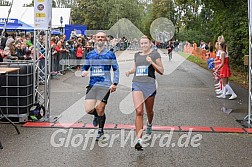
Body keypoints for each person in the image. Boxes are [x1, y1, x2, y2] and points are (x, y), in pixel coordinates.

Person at [125, 35, 164, 151]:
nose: (143, 45)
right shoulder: (137, 55)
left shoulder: (155, 55)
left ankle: (150, 124)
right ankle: (139, 139)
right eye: (142, 43)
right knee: (139, 111)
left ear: (150, 43)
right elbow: (136, 68)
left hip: (149, 86)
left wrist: (151, 62)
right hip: (137, 84)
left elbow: (161, 71)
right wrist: (129, 72)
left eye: (145, 43)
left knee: (149, 111)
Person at [81, 31, 119, 141]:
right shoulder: (90, 54)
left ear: (105, 39)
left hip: (105, 85)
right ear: (95, 39)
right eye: (98, 37)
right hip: (92, 84)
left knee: (100, 107)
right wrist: (83, 72)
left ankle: (100, 130)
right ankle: (97, 116)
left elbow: (116, 69)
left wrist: (115, 83)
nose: (100, 39)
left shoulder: (110, 54)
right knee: (88, 109)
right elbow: (85, 67)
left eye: (102, 37)